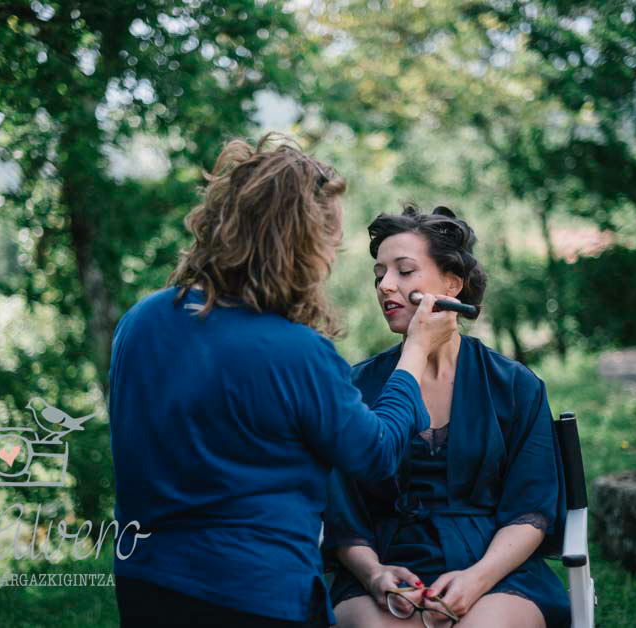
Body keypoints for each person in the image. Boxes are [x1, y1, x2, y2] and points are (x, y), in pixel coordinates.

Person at [108, 135, 460, 628]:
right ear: (294, 243)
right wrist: (417, 351)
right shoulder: (296, 352)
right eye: (326, 244)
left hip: (145, 583)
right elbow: (375, 453)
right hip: (253, 593)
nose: (329, 261)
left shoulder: (139, 322)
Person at [322, 204, 571, 628]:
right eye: (379, 273)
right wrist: (375, 573)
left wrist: (476, 580)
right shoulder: (355, 386)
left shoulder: (515, 386)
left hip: (497, 569)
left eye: (404, 271)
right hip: (384, 569)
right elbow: (344, 516)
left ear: (452, 284)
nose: (385, 285)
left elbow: (531, 509)